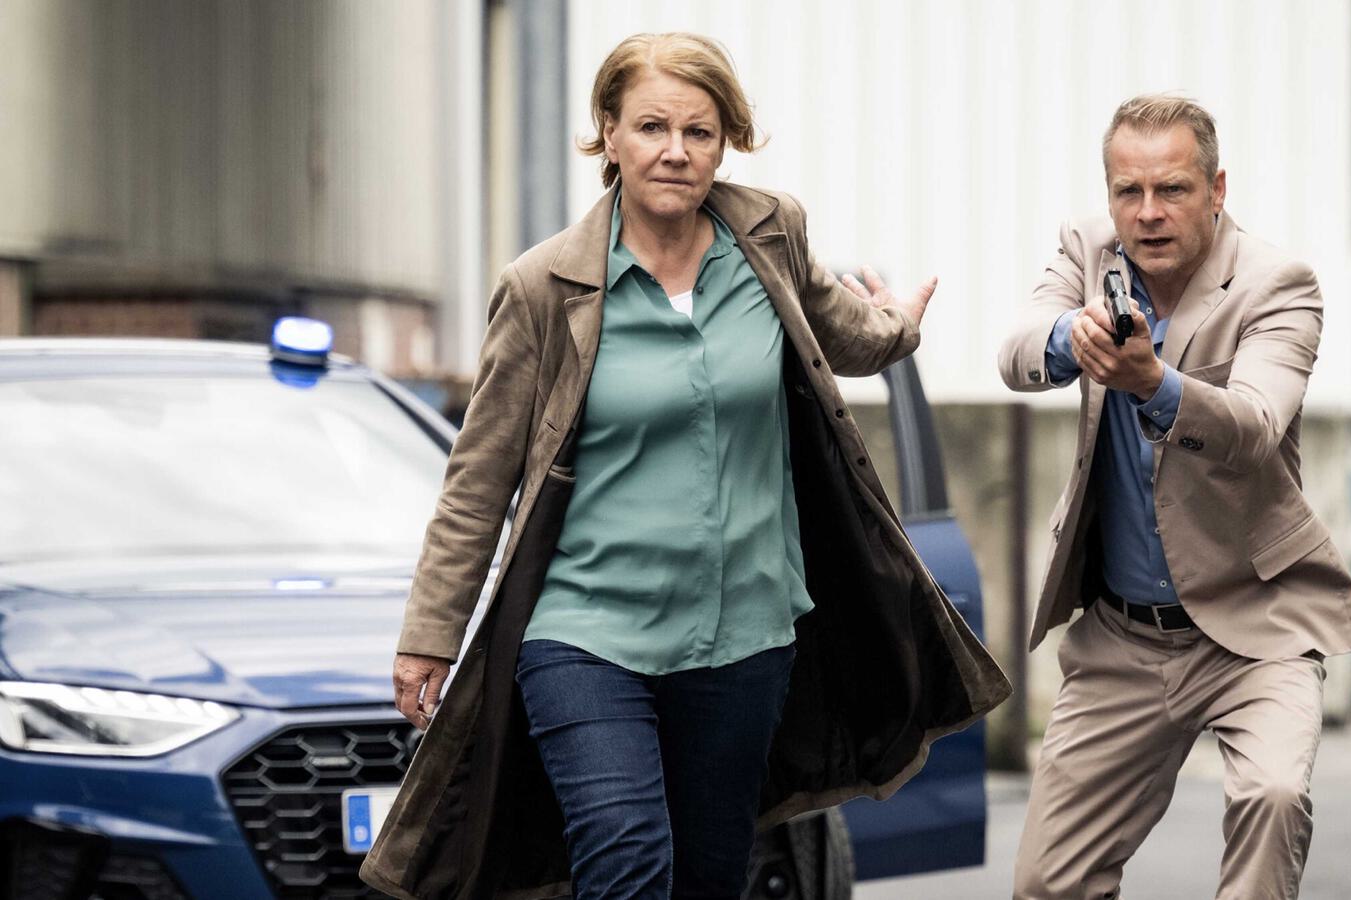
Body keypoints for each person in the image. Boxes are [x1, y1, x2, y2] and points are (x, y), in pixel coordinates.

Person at [359, 32, 1010, 900]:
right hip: (588, 630)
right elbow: (477, 483)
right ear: (609, 132)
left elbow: (842, 336)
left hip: (742, 634)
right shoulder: (545, 288)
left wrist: (899, 327)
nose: (676, 151)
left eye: (699, 131)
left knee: (709, 875)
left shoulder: (770, 236)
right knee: (626, 858)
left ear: (725, 141)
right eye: (652, 127)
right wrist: (429, 636)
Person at [999, 94, 1351, 900]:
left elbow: (1255, 427)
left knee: (1273, 795)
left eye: (1171, 189)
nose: (1148, 212)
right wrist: (1071, 338)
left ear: (1216, 189)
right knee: (1047, 883)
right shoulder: (1088, 251)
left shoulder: (1277, 285)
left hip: (1255, 623)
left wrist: (1155, 384)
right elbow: (1017, 352)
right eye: (1128, 192)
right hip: (1123, 635)